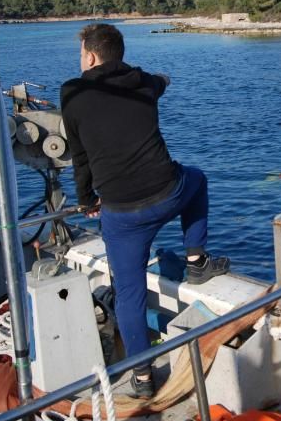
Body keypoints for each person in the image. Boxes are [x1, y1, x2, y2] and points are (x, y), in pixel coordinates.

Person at [60, 23, 229, 398]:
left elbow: (80, 158)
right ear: (117, 55)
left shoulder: (72, 93)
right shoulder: (143, 83)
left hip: (121, 213)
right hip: (168, 192)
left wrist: (87, 200)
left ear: (89, 56)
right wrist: (162, 79)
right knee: (198, 179)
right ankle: (197, 259)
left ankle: (142, 377)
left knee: (130, 293)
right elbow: (160, 80)